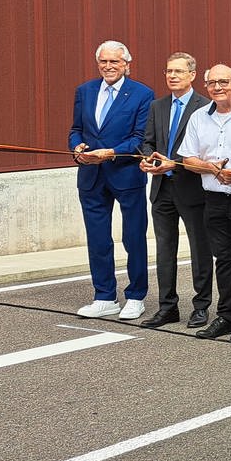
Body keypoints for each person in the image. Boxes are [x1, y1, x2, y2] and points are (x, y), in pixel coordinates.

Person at [177, 65, 231, 344]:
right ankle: (227, 315)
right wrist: (209, 167)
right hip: (213, 197)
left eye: (224, 81)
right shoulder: (198, 117)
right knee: (224, 259)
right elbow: (187, 159)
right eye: (212, 82)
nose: (217, 87)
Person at [71, 40, 155, 320]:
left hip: (125, 175)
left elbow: (139, 138)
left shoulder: (142, 94)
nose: (108, 67)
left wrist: (111, 153)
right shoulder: (85, 91)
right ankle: (104, 296)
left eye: (114, 62)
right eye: (103, 62)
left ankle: (136, 295)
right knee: (98, 240)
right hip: (91, 176)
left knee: (133, 237)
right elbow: (76, 130)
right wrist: (77, 148)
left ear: (126, 65)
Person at [137, 52, 213, 328]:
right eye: (168, 71)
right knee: (164, 250)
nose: (172, 76)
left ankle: (201, 306)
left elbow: (205, 149)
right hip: (161, 189)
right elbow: (147, 141)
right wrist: (147, 158)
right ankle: (167, 307)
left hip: (192, 188)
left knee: (199, 249)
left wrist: (176, 163)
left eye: (178, 71)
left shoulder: (205, 107)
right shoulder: (157, 106)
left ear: (192, 75)